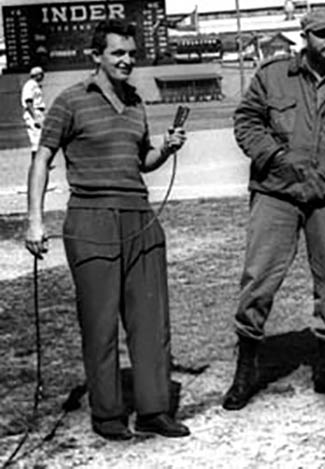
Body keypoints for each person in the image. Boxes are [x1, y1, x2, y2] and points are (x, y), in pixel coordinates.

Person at [24, 19, 190, 441]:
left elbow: (142, 162)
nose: (127, 61)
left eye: (131, 54)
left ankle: (154, 410)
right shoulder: (69, 101)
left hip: (140, 217)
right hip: (91, 220)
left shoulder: (135, 102)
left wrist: (165, 149)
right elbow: (42, 159)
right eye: (117, 53)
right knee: (99, 325)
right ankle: (108, 414)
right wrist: (35, 220)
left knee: (151, 320)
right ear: (95, 55)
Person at [224, 7, 325, 410]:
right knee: (258, 278)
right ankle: (246, 370)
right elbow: (247, 121)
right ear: (305, 38)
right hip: (276, 193)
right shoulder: (273, 75)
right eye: (322, 35)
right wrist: (277, 159)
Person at [21, 66, 46, 159]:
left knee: (40, 138)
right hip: (33, 112)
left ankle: (38, 163)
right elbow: (28, 102)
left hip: (38, 112)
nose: (43, 76)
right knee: (37, 139)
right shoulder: (30, 85)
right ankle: (35, 163)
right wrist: (35, 117)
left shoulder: (35, 84)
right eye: (41, 74)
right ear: (37, 75)